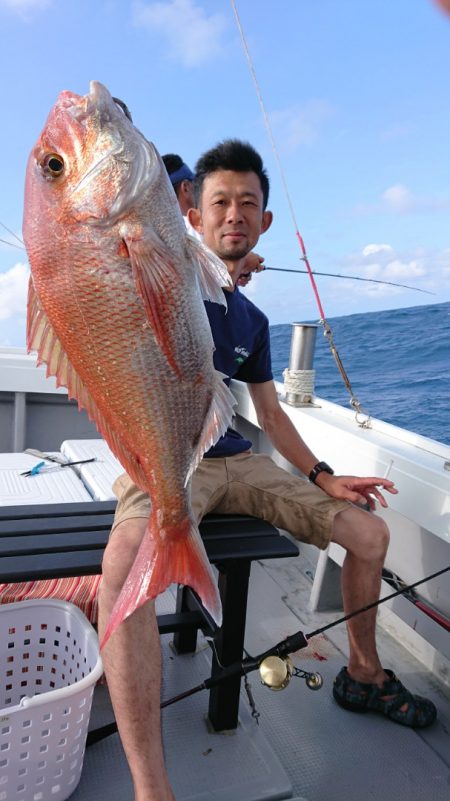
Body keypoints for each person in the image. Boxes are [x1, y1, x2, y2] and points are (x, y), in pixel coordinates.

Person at [98, 139, 437, 801]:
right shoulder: (162, 274)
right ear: (189, 212)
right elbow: (138, 208)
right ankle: (152, 787)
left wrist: (321, 475)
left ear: (264, 219)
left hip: (241, 464)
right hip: (170, 460)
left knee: (369, 534)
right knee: (121, 571)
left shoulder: (252, 319)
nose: (233, 214)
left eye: (247, 203)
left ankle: (363, 672)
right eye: (217, 201)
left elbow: (271, 415)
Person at [162, 151, 265, 287]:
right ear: (186, 187)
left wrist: (238, 269)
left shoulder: (160, 232)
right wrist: (242, 261)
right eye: (197, 185)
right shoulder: (189, 227)